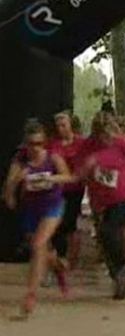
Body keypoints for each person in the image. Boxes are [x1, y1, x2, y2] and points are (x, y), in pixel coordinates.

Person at [3, 120, 74, 315]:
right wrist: (13, 188)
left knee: (37, 245)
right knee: (42, 248)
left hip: (53, 206)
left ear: (45, 143)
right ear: (25, 144)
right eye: (31, 144)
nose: (36, 148)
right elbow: (9, 185)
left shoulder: (52, 158)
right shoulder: (20, 161)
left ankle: (31, 295)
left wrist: (50, 178)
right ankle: (58, 266)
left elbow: (69, 176)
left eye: (39, 143)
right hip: (31, 210)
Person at [78, 111, 125, 300]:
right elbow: (80, 172)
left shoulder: (123, 144)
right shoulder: (88, 146)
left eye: (110, 135)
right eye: (104, 136)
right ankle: (117, 273)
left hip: (122, 196)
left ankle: (123, 264)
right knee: (103, 237)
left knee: (112, 230)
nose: (108, 140)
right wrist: (89, 166)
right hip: (99, 198)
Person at [49, 112, 86, 270]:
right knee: (58, 223)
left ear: (71, 125)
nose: (61, 128)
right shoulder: (54, 145)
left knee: (70, 222)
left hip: (76, 188)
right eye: (58, 126)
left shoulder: (81, 143)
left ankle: (72, 259)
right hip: (59, 189)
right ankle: (61, 256)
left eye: (64, 124)